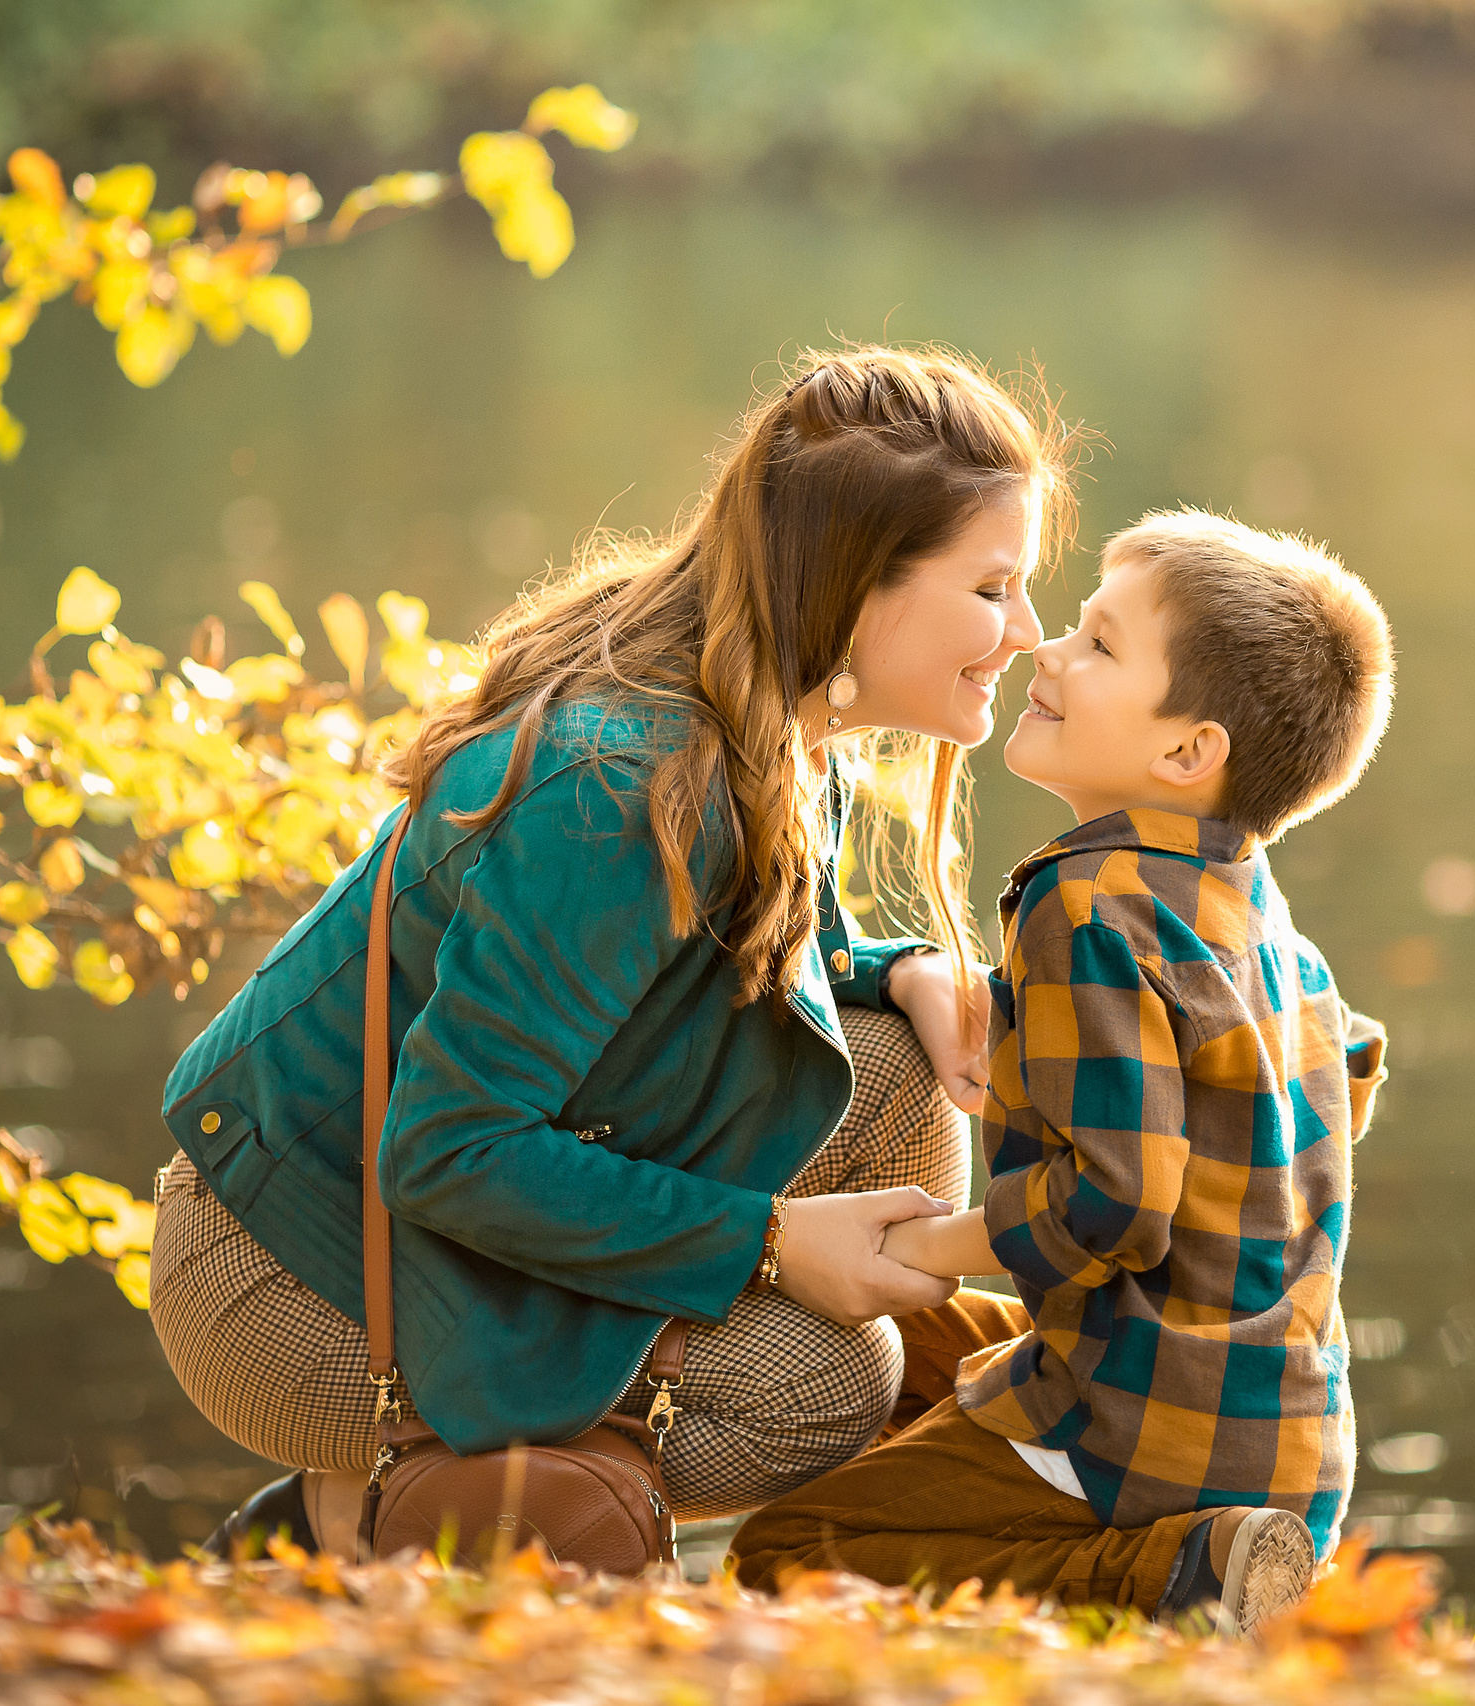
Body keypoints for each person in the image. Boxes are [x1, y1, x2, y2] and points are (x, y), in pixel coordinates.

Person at [150, 346, 1073, 1555]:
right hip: (295, 1267)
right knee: (828, 1379)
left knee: (900, 1065)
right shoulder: (619, 792)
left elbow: (716, 964)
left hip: (450, 1186)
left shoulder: (773, 717)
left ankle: (631, 1466)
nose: (1029, 632)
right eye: (993, 587)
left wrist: (897, 968)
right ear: (855, 586)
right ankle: (412, 1511)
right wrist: (774, 1243)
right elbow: (446, 1147)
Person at [730, 509, 1394, 1634]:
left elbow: (1112, 1206)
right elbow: (1331, 1086)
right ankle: (1189, 1539)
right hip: (1284, 1429)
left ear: (1187, 751)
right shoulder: (1271, 930)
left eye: (1097, 644)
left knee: (779, 1551)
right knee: (904, 1353)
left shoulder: (1085, 905)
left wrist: (927, 1239)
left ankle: (1173, 1568)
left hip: (1146, 1426)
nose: (1046, 650)